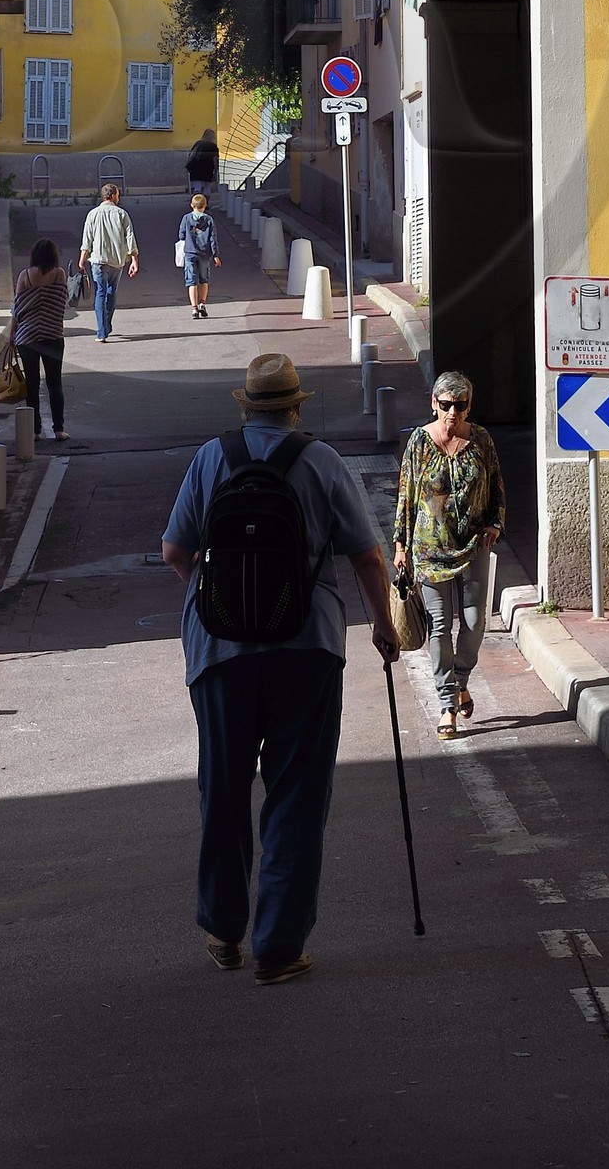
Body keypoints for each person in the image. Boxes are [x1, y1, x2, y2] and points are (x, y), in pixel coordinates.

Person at [162, 353, 400, 985]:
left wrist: (214, 600)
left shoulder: (213, 458)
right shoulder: (321, 462)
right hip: (307, 648)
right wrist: (382, 622)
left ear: (246, 407)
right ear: (297, 406)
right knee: (296, 793)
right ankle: (279, 946)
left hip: (219, 654)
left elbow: (174, 550)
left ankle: (222, 930)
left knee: (224, 786)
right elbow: (367, 557)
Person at [392, 369, 505, 741]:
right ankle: (447, 704)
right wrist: (400, 545)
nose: (452, 413)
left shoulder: (482, 440)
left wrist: (495, 524)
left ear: (469, 406)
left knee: (474, 624)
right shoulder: (420, 443)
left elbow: (496, 486)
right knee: (440, 626)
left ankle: (460, 680)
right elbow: (406, 494)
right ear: (434, 404)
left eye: (460, 405)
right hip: (429, 549)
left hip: (474, 546)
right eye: (445, 405)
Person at [11, 236, 69, 441]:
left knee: (32, 384)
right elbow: (62, 302)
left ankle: (35, 431)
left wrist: (11, 334)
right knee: (55, 383)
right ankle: (59, 429)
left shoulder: (25, 276)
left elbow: (17, 309)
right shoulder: (60, 275)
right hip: (52, 335)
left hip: (28, 337)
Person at [78, 181, 139, 341]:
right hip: (117, 261)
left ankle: (102, 330)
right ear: (112, 195)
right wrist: (134, 259)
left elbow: (87, 239)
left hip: (98, 260)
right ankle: (106, 325)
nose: (119, 197)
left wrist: (82, 259)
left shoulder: (93, 214)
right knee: (112, 293)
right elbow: (130, 237)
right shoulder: (122, 214)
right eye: (118, 194)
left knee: (100, 292)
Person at [178, 192, 221, 320]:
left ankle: (194, 308)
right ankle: (202, 302)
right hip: (204, 253)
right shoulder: (209, 219)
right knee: (204, 279)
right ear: (205, 205)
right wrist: (215, 255)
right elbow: (213, 238)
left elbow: (181, 235)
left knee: (191, 281)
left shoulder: (186, 218)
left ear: (192, 205)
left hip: (190, 252)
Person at [184, 127, 221, 193]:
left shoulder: (198, 143)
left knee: (197, 186)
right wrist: (216, 169)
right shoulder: (213, 146)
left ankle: (196, 201)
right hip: (208, 169)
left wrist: (189, 164)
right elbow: (215, 159)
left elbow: (191, 155)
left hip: (196, 167)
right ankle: (205, 202)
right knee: (207, 186)